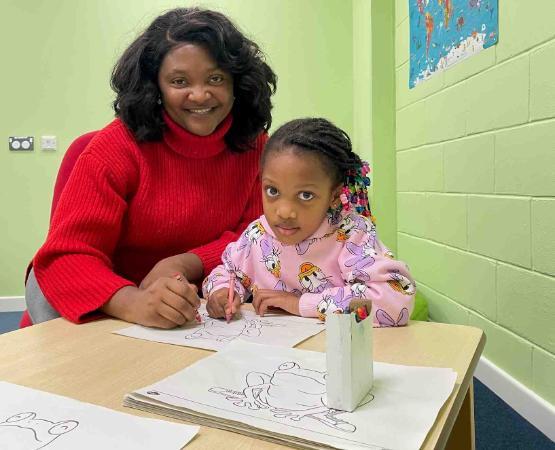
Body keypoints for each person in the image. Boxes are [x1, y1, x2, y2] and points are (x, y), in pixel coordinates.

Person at [24, 7, 277, 329]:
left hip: (202, 313)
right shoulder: (115, 147)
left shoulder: (257, 146)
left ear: (237, 83)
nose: (200, 94)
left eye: (215, 78)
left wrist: (184, 263)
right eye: (179, 81)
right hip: (109, 313)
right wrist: (133, 302)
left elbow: (258, 234)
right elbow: (66, 257)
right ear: (155, 86)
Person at [203, 118, 415, 327]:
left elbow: (394, 301)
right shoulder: (257, 236)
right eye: (273, 191)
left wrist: (301, 304)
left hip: (334, 355)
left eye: (305, 195)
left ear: (334, 195)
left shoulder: (352, 234)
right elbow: (228, 273)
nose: (284, 212)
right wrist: (222, 292)